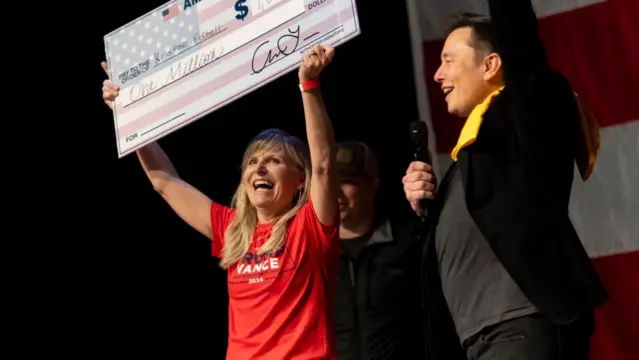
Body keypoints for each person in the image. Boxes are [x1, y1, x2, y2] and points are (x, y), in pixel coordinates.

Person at [102, 45, 342, 360]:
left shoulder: (310, 227)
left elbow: (323, 166)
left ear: (300, 180)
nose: (259, 168)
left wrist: (308, 84)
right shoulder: (231, 229)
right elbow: (165, 182)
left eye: (273, 161)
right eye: (253, 161)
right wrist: (128, 114)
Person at [401, 0, 608, 359]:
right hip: (479, 338)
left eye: (448, 60)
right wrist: (425, 213)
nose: (437, 74)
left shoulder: (526, 114)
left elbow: (522, 47)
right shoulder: (471, 157)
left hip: (524, 325)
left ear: (492, 64)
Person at [332, 141, 431, 360]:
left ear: (373, 185)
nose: (335, 193)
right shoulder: (313, 254)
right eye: (329, 183)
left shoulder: (408, 244)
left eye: (347, 181)